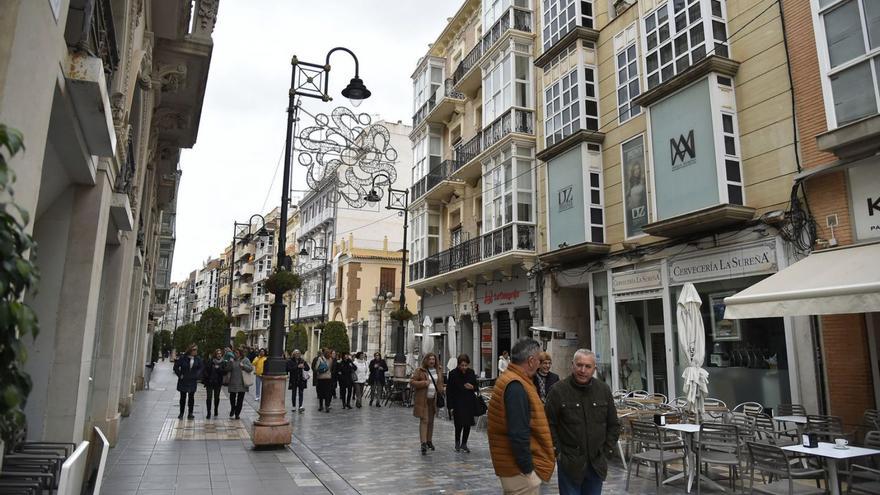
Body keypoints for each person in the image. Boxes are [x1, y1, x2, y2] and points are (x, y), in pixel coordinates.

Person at [545, 349, 620, 495]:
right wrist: (558, 453)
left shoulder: (603, 390)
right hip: (570, 465)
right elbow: (549, 425)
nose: (583, 370)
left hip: (596, 464)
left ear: (594, 369)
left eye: (587, 366)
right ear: (572, 365)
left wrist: (606, 452)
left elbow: (613, 424)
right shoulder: (558, 390)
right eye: (579, 365)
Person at [488, 338, 555, 495]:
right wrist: (528, 470)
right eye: (539, 360)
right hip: (518, 471)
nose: (540, 364)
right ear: (531, 361)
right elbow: (518, 432)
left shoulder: (511, 379)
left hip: (513, 467)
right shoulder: (515, 385)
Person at [411, 352, 444, 455]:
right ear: (426, 360)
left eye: (433, 359)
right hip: (423, 400)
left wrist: (441, 389)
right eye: (429, 359)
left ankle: (429, 441)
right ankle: (423, 443)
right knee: (424, 420)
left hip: (433, 399)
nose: (431, 361)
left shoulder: (438, 370)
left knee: (431, 421)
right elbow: (412, 382)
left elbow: (440, 384)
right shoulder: (420, 371)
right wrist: (423, 383)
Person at [446, 354, 478, 453]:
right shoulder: (453, 374)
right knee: (458, 424)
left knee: (467, 424)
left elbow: (476, 387)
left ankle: (464, 443)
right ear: (458, 365)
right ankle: (457, 442)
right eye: (462, 365)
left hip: (468, 402)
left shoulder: (471, 373)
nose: (464, 367)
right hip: (457, 402)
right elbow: (449, 391)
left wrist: (472, 387)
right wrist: (450, 406)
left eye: (466, 365)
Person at [173, 344, 204, 420]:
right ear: (190, 350)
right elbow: (176, 367)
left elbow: (201, 367)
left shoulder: (198, 359)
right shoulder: (183, 358)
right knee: (182, 397)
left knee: (191, 397)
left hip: (192, 380)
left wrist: (197, 375)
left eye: (196, 349)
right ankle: (181, 413)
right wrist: (180, 375)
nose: (196, 351)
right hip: (184, 380)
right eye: (194, 350)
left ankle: (190, 413)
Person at [223, 349, 253, 419]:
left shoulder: (245, 360)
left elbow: (250, 369)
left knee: (240, 399)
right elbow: (227, 369)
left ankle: (237, 413)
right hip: (233, 381)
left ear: (240, 353)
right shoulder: (232, 360)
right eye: (234, 353)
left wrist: (243, 366)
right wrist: (230, 363)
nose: (235, 354)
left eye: (236, 353)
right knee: (232, 397)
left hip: (242, 382)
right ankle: (233, 408)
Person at [202, 348, 226, 419]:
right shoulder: (210, 361)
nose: (219, 355)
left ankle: (216, 409)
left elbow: (224, 372)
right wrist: (206, 377)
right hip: (210, 382)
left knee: (216, 397)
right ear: (215, 354)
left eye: (220, 353)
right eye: (218, 353)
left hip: (218, 382)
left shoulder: (223, 362)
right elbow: (205, 370)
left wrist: (218, 368)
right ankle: (208, 412)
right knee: (209, 398)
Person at [314, 348, 334, 412]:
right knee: (327, 393)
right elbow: (331, 369)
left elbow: (316, 368)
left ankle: (321, 406)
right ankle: (326, 406)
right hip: (327, 378)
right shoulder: (331, 360)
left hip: (321, 378)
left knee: (321, 393)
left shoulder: (320, 359)